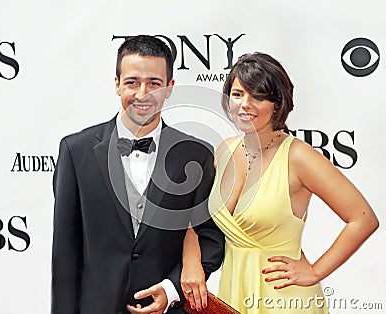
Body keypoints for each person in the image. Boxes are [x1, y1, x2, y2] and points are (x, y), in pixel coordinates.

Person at [180, 52, 379, 313]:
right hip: (234, 290)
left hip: (285, 298)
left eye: (258, 96)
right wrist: (191, 259)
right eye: (238, 94)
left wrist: (315, 271)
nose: (245, 104)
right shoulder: (224, 151)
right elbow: (196, 219)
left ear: (277, 102)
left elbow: (363, 218)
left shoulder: (298, 156)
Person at [51, 35, 224, 314]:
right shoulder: (76, 150)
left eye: (154, 83)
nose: (142, 94)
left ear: (169, 88)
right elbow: (65, 253)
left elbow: (211, 239)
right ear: (117, 84)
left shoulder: (196, 153)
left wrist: (171, 289)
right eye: (132, 82)